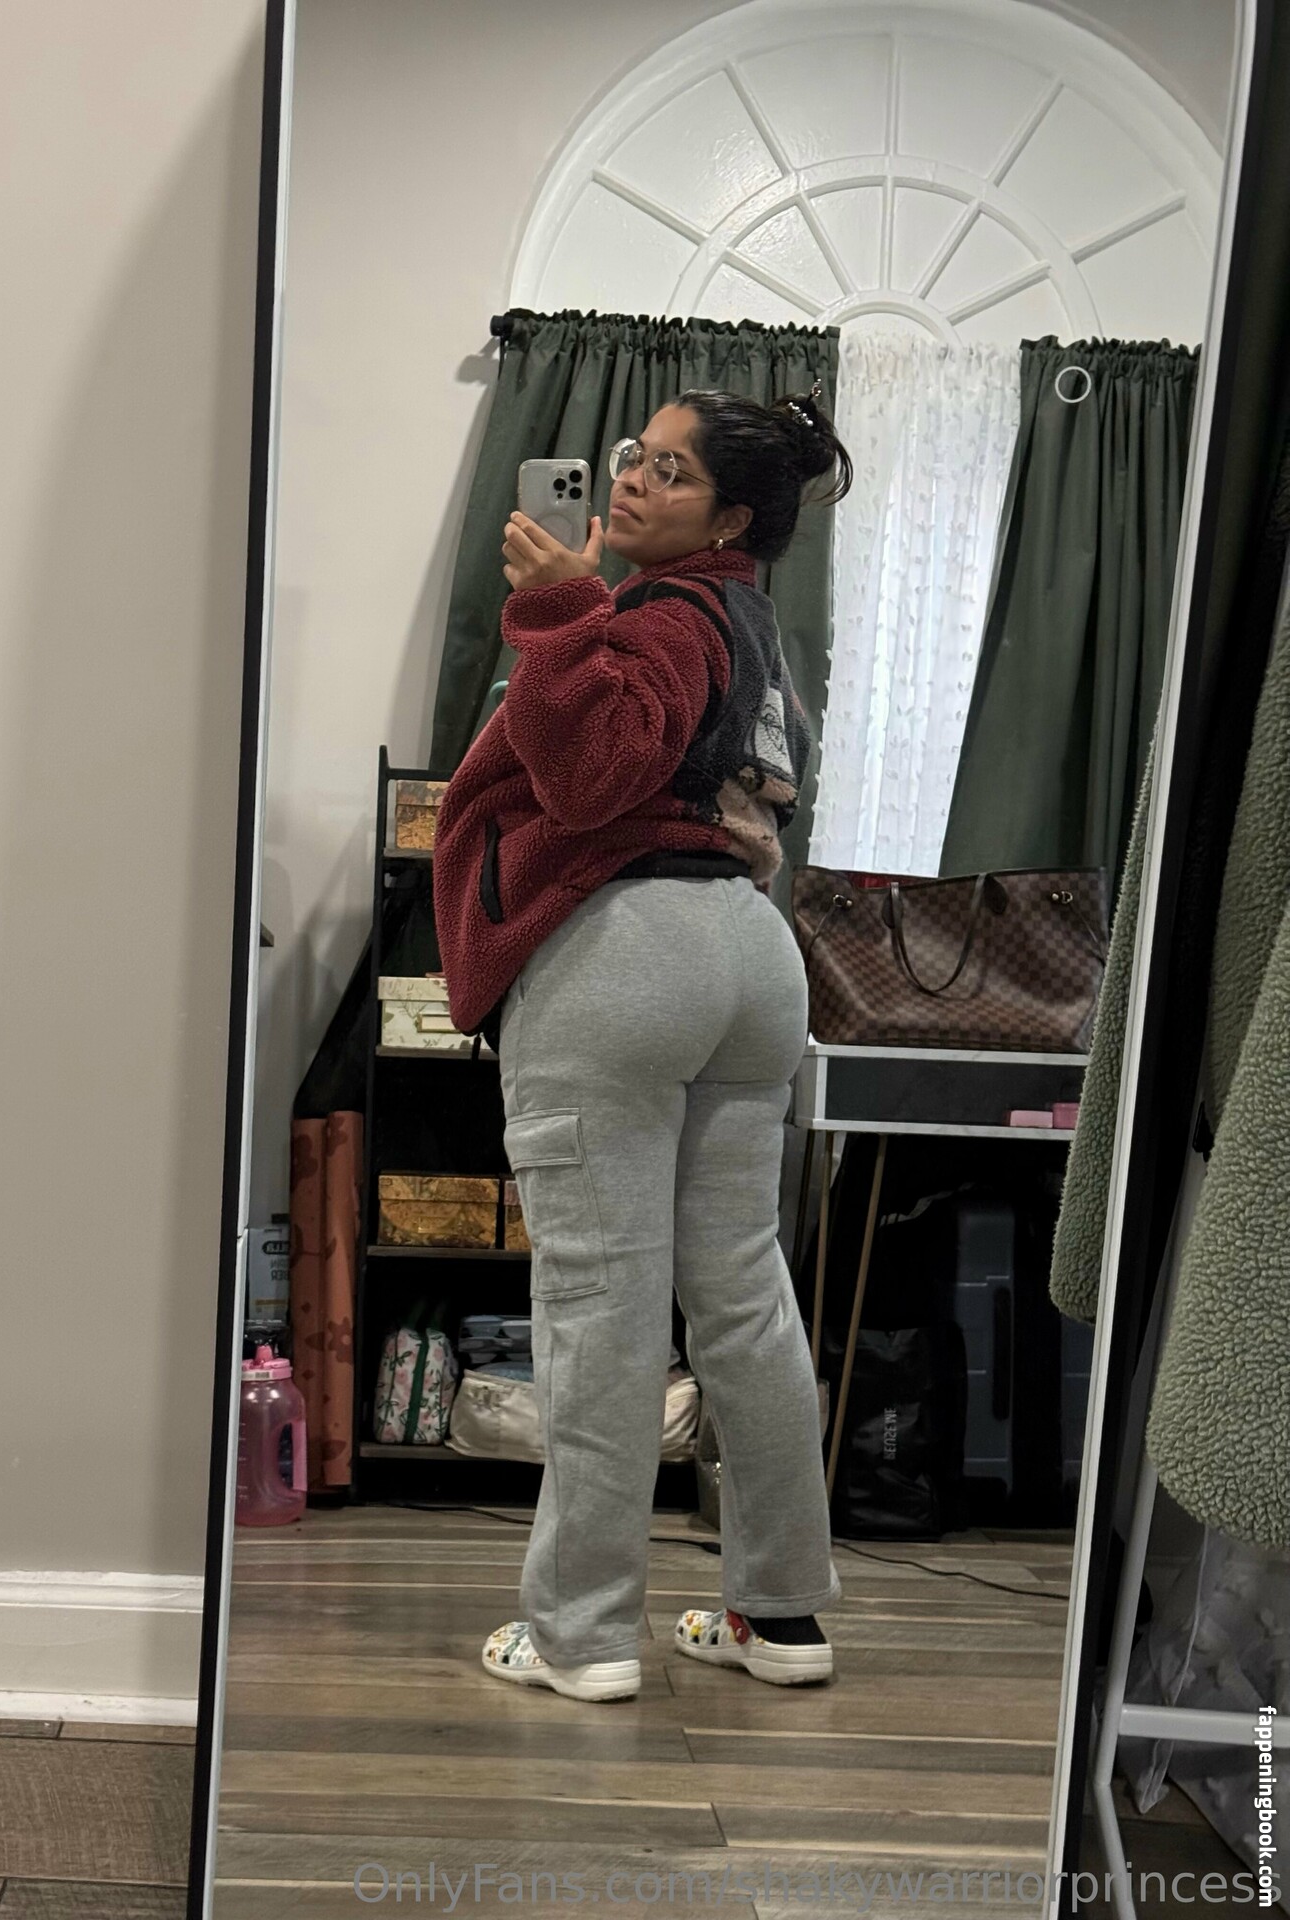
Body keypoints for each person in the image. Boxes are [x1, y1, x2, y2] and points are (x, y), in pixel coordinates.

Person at [432, 388, 853, 1702]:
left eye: (670, 474)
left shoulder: (660, 613)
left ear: (729, 519)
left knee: (602, 1304)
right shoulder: (749, 624)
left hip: (628, 954)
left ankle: (582, 1634)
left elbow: (594, 778)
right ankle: (780, 1615)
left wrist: (564, 610)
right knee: (742, 1292)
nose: (630, 482)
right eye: (636, 457)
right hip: (746, 954)